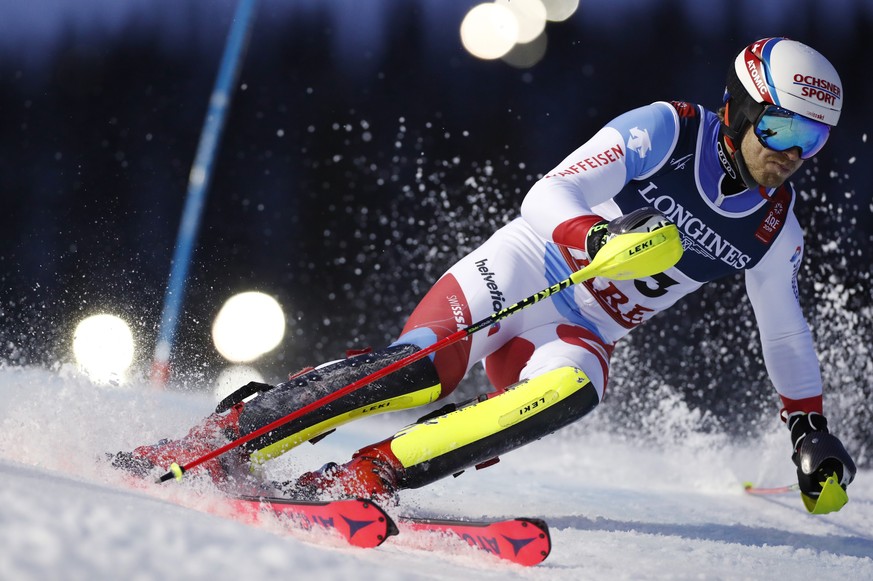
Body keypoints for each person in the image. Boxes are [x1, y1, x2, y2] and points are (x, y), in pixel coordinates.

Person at [114, 37, 856, 514]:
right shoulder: (666, 129)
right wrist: (593, 234)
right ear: (741, 109)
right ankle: (230, 435)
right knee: (420, 372)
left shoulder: (771, 225)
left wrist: (807, 427)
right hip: (525, 265)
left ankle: (366, 477)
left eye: (811, 140)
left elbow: (784, 331)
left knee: (577, 388)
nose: (791, 153)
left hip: (581, 326)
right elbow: (545, 196)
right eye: (781, 128)